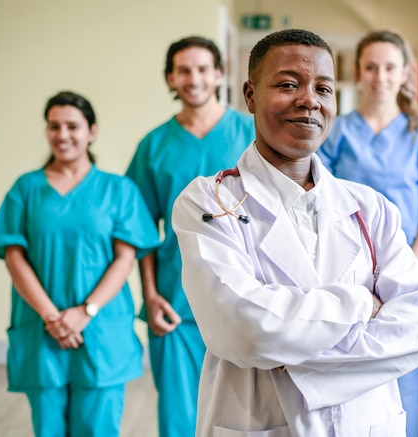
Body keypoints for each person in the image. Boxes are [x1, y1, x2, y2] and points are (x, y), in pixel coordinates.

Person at [172, 28, 418, 436]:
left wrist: (292, 349)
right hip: (260, 420)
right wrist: (360, 305)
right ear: (249, 95)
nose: (309, 100)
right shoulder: (210, 203)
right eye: (287, 84)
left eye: (323, 88)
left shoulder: (371, 208)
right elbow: (246, 330)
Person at [0, 91, 160, 436]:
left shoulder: (118, 189)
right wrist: (52, 317)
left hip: (101, 329)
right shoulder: (27, 188)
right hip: (42, 328)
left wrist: (86, 311)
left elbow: (125, 259)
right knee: (48, 428)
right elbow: (13, 256)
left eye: (72, 126)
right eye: (54, 126)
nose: (62, 135)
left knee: (98, 428)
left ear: (92, 131)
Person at [316, 29, 418, 437]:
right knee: (348, 380)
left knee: (404, 380)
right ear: (358, 72)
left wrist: (408, 262)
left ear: (405, 74)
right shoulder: (337, 132)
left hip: (408, 271)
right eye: (371, 67)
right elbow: (319, 198)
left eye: (389, 67)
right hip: (348, 273)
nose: (380, 76)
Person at [125, 35, 254, 436]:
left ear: (219, 73)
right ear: (170, 78)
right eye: (183, 70)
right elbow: (140, 228)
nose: (193, 78)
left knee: (249, 415)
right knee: (180, 417)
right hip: (175, 301)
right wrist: (149, 293)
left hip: (246, 294)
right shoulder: (154, 146)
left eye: (202, 68)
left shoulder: (252, 132)